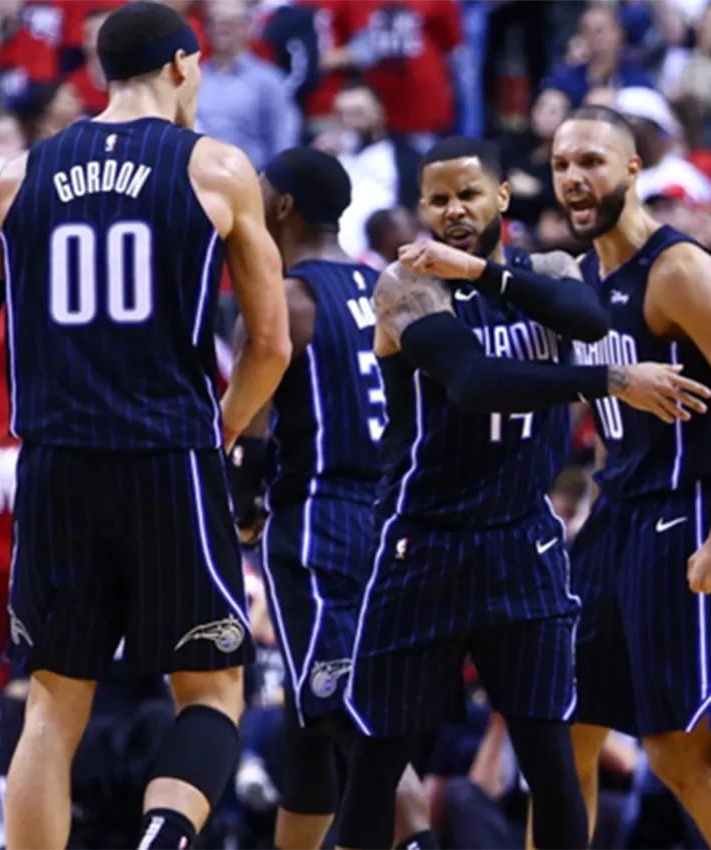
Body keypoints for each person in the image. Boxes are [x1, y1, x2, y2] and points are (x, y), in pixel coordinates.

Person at [0, 5, 294, 850]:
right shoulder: (215, 167)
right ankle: (161, 839)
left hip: (56, 465)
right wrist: (220, 430)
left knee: (54, 705)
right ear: (183, 66)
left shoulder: (17, 175)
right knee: (211, 694)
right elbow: (273, 343)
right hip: (167, 454)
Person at [333, 136, 711, 850]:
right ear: (420, 206)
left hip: (524, 543)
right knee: (380, 762)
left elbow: (593, 319)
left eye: (468, 195)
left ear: (502, 197)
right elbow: (474, 383)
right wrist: (612, 381)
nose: (452, 211)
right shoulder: (404, 286)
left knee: (552, 760)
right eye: (437, 199)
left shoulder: (549, 269)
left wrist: (483, 272)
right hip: (425, 543)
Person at [550, 104, 711, 850]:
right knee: (562, 738)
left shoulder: (679, 271)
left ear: (631, 169)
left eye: (590, 161)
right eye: (560, 165)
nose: (573, 179)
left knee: (682, 755)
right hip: (615, 515)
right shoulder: (580, 277)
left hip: (687, 515)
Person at [226, 146, 430, 850]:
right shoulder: (384, 286)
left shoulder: (287, 298)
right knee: (309, 723)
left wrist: (245, 510)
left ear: (280, 206)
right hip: (390, 519)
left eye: (257, 188)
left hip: (320, 521)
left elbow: (245, 435)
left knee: (349, 714)